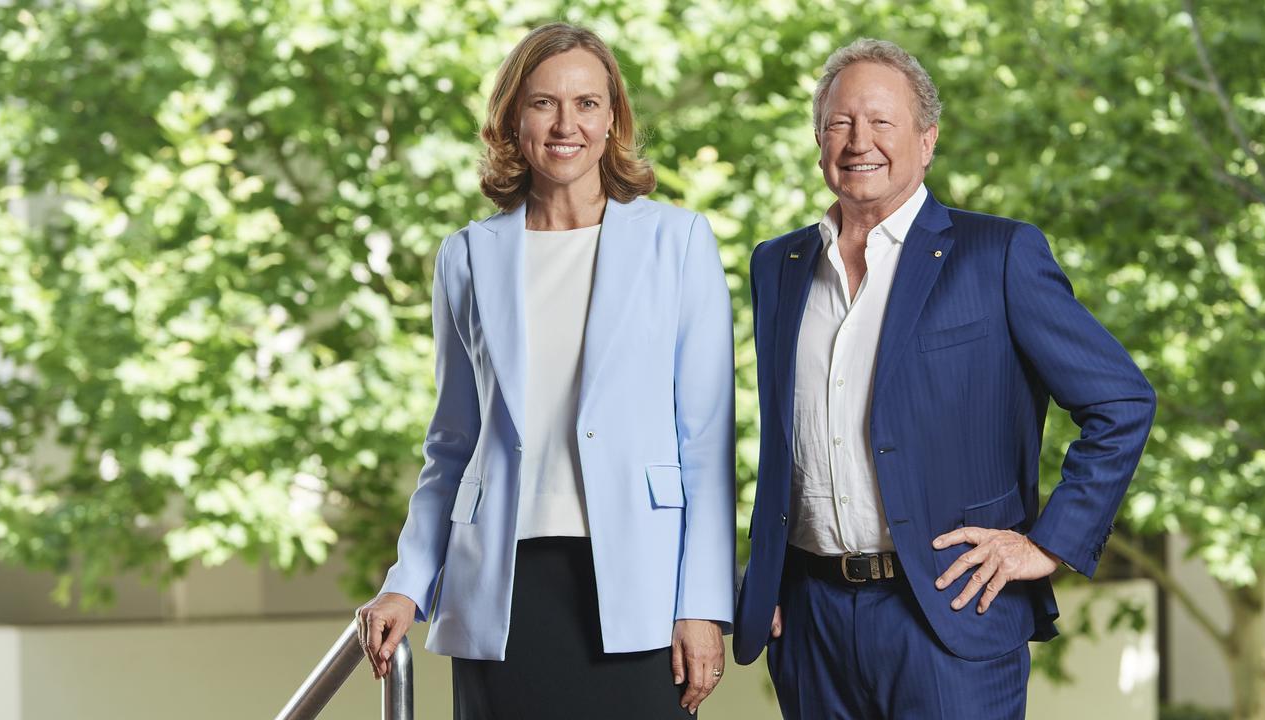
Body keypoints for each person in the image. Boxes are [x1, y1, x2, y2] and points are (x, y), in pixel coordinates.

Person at [734, 38, 1156, 718]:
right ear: (818, 140)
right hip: (809, 624)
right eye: (840, 122)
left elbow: (1123, 401)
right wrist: (766, 585)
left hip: (947, 619)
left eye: (881, 121)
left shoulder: (998, 255)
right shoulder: (776, 266)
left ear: (926, 140)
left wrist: (1047, 543)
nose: (858, 140)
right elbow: (789, 443)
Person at [354, 23, 736, 719]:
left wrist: (703, 603)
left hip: (639, 586)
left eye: (588, 104)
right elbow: (452, 445)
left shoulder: (677, 244)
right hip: (499, 589)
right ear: (512, 120)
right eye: (543, 104)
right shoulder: (467, 257)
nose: (567, 124)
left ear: (614, 118)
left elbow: (706, 445)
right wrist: (408, 581)